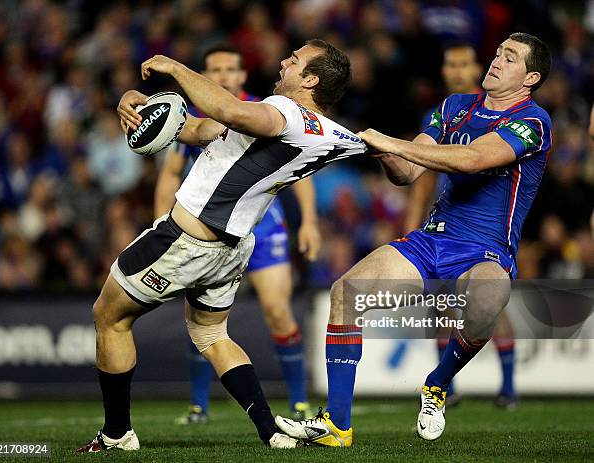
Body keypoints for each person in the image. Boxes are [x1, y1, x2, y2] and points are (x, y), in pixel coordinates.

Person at [77, 38, 366, 452]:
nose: (283, 60)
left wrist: (176, 69)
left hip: (187, 240)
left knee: (109, 317)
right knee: (212, 335)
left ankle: (116, 434)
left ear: (311, 80)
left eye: (295, 60)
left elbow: (226, 110)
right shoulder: (323, 131)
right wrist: (142, 105)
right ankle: (271, 432)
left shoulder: (282, 111)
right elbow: (199, 128)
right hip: (231, 250)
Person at [275, 32, 552, 446]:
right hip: (431, 240)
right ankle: (337, 425)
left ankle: (437, 385)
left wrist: (392, 142)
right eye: (496, 53)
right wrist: (383, 152)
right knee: (345, 293)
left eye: (509, 58)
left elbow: (474, 159)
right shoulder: (454, 107)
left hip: (485, 252)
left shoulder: (533, 122)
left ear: (529, 78)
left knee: (490, 296)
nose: (495, 61)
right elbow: (407, 173)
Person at [154, 44, 319, 424]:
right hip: (207, 232)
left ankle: (298, 401)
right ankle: (199, 406)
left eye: (231, 69)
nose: (224, 76)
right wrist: (165, 225)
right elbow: (168, 177)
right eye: (216, 69)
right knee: (200, 319)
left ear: (243, 76)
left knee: (278, 312)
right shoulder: (192, 118)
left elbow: (302, 169)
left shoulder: (267, 111)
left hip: (264, 228)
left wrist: (308, 221)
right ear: (206, 75)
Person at [405, 42, 517, 409]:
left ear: (477, 70)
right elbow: (420, 178)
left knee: (490, 305)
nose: (455, 70)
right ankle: (446, 388)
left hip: (487, 227)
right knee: (441, 304)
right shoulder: (440, 114)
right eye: (449, 64)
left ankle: (509, 387)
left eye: (463, 64)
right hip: (443, 225)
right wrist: (411, 226)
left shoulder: (499, 113)